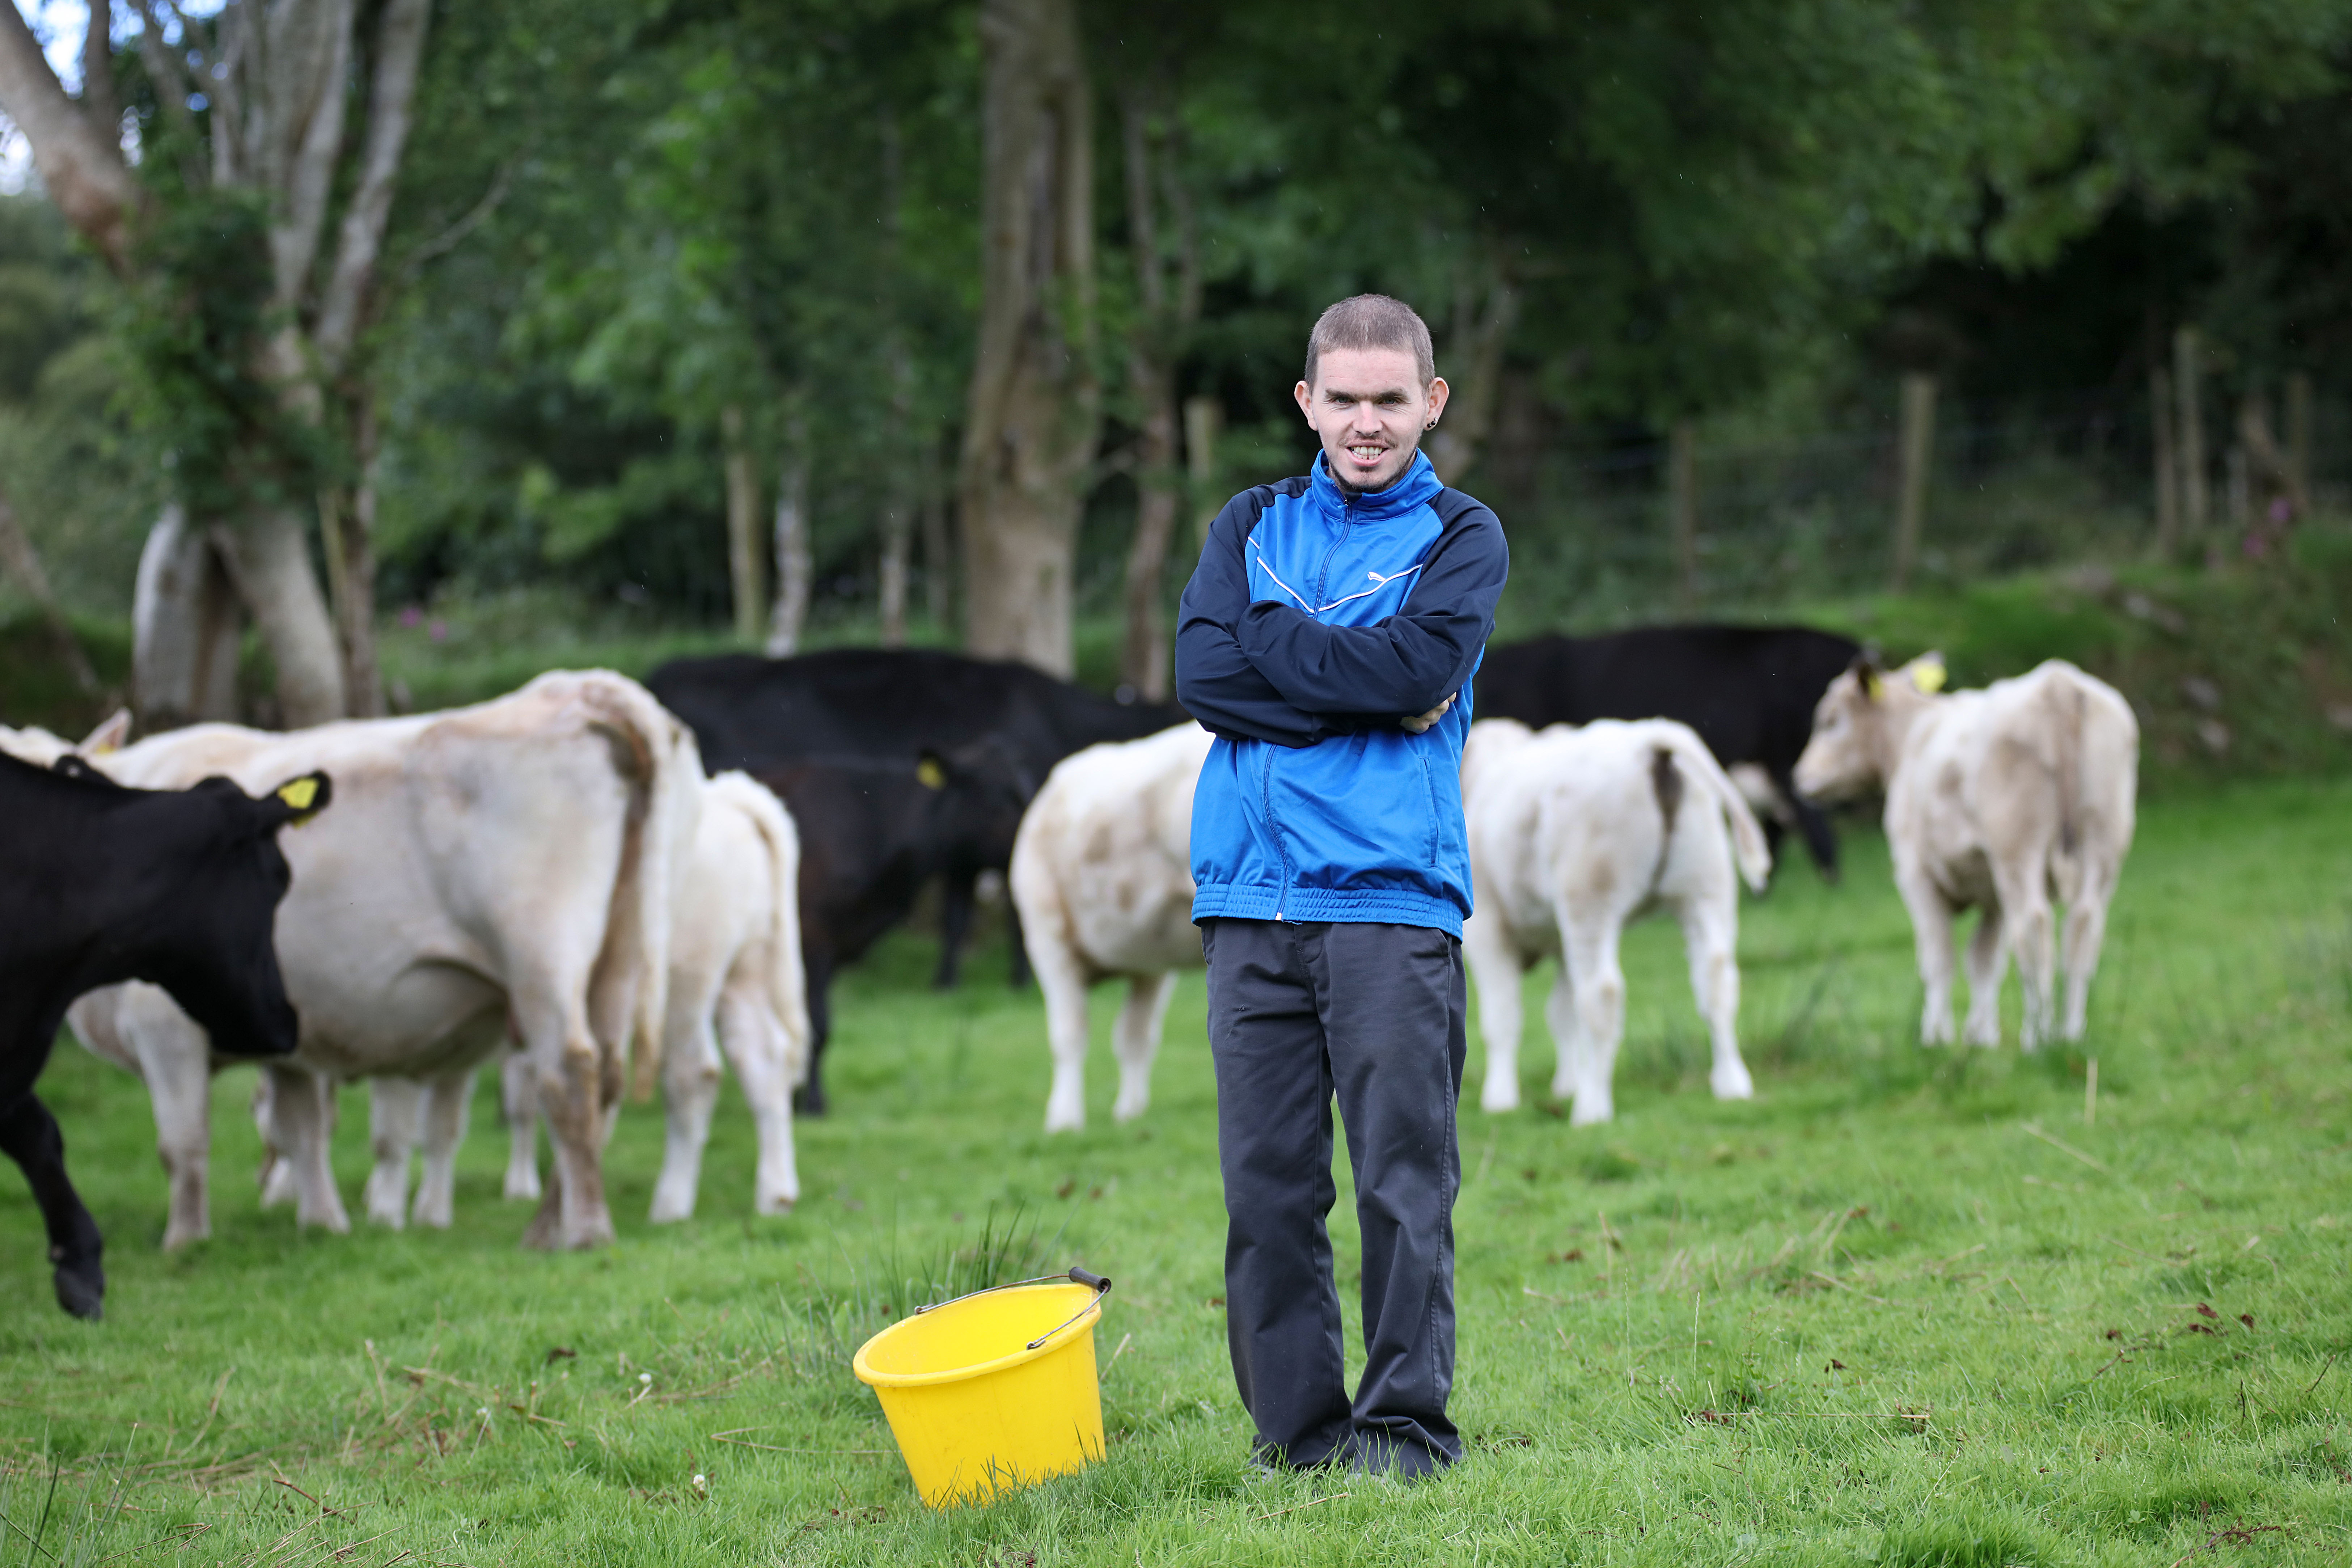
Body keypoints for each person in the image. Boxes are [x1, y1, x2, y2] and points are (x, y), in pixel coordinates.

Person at [1172, 293, 1510, 1479]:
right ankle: (1299, 1440)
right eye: (1344, 400)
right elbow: (1201, 673)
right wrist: (1356, 689)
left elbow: (1419, 665)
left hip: (1387, 902)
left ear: (1431, 402)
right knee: (1265, 1194)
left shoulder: (1462, 536)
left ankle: (1405, 1431)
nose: (1366, 425)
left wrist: (1278, 655)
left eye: (1390, 400)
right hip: (1245, 905)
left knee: (1400, 1186)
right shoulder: (1249, 521)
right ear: (1306, 404)